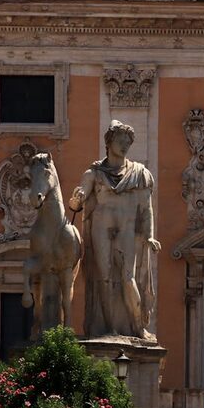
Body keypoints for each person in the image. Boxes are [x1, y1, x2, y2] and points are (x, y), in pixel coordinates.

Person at [70, 120, 160, 340]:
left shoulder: (140, 174)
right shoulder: (94, 173)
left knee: (128, 278)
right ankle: (108, 329)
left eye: (128, 141)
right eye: (120, 140)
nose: (125, 145)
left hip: (126, 231)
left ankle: (138, 327)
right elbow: (77, 203)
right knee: (103, 278)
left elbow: (146, 209)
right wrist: (76, 199)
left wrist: (149, 235)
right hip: (100, 229)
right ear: (109, 142)